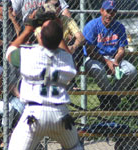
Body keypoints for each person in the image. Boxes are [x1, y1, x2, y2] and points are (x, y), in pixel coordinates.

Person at [6, 18, 83, 149]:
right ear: (59, 39)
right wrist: (57, 30)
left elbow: (9, 52)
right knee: (75, 147)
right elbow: (65, 51)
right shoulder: (67, 58)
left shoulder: (28, 53)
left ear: (40, 37)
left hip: (34, 114)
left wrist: (28, 30)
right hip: (60, 114)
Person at [82, 0, 137, 110]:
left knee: (131, 71)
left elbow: (121, 49)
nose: (110, 14)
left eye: (113, 12)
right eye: (108, 11)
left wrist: (115, 61)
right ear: (101, 11)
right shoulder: (92, 25)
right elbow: (90, 51)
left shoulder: (119, 26)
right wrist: (107, 62)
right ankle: (112, 99)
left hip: (114, 58)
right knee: (98, 70)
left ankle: (108, 97)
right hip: (95, 58)